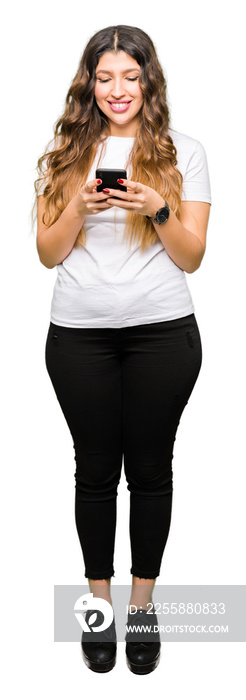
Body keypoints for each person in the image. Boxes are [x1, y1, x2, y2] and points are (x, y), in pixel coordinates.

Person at [34, 25, 211, 675]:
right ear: (90, 82)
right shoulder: (67, 150)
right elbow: (47, 253)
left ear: (147, 82)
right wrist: (79, 205)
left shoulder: (182, 152)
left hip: (163, 333)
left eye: (129, 77)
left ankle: (143, 611)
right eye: (104, 77)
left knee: (152, 471)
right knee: (94, 472)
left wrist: (159, 208)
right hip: (79, 337)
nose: (117, 90)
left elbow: (192, 256)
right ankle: (98, 612)